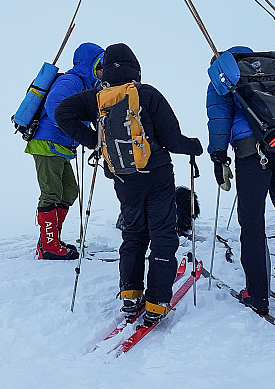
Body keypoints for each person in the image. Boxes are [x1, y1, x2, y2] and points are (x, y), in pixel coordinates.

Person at [55, 43, 203, 328]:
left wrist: (95, 143)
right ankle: (157, 302)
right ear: (136, 69)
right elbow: (173, 140)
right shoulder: (147, 94)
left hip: (123, 179)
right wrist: (194, 146)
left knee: (133, 235)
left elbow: (62, 114)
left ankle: (130, 294)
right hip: (158, 176)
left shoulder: (96, 97)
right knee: (162, 235)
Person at [206, 46, 275, 315]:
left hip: (251, 153)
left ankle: (257, 293)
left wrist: (218, 155)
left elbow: (219, 118)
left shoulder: (224, 77)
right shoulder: (270, 73)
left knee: (252, 220)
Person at [24, 41, 104, 260]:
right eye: (99, 65)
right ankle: (49, 246)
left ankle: (51, 240)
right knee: (51, 193)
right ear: (89, 65)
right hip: (47, 142)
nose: (102, 71)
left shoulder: (87, 87)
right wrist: (76, 129)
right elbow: (54, 106)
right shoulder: (71, 81)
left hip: (60, 145)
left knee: (68, 192)